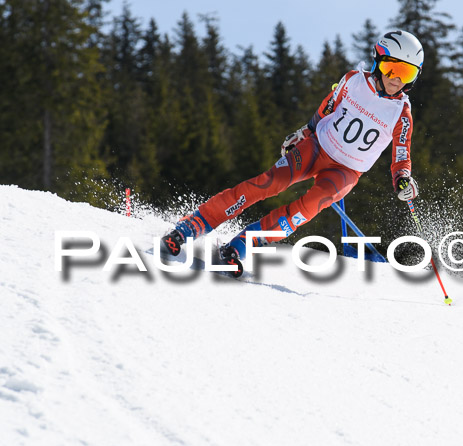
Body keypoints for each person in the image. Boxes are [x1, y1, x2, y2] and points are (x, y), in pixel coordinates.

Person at [161, 30, 424, 275]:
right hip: (318, 147)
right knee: (268, 184)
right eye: (392, 68)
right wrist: (305, 132)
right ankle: (189, 227)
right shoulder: (353, 81)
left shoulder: (401, 111)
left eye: (407, 73)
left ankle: (237, 248)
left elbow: (402, 153)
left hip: (346, 171)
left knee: (304, 211)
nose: (396, 79)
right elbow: (327, 109)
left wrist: (403, 179)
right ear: (378, 61)